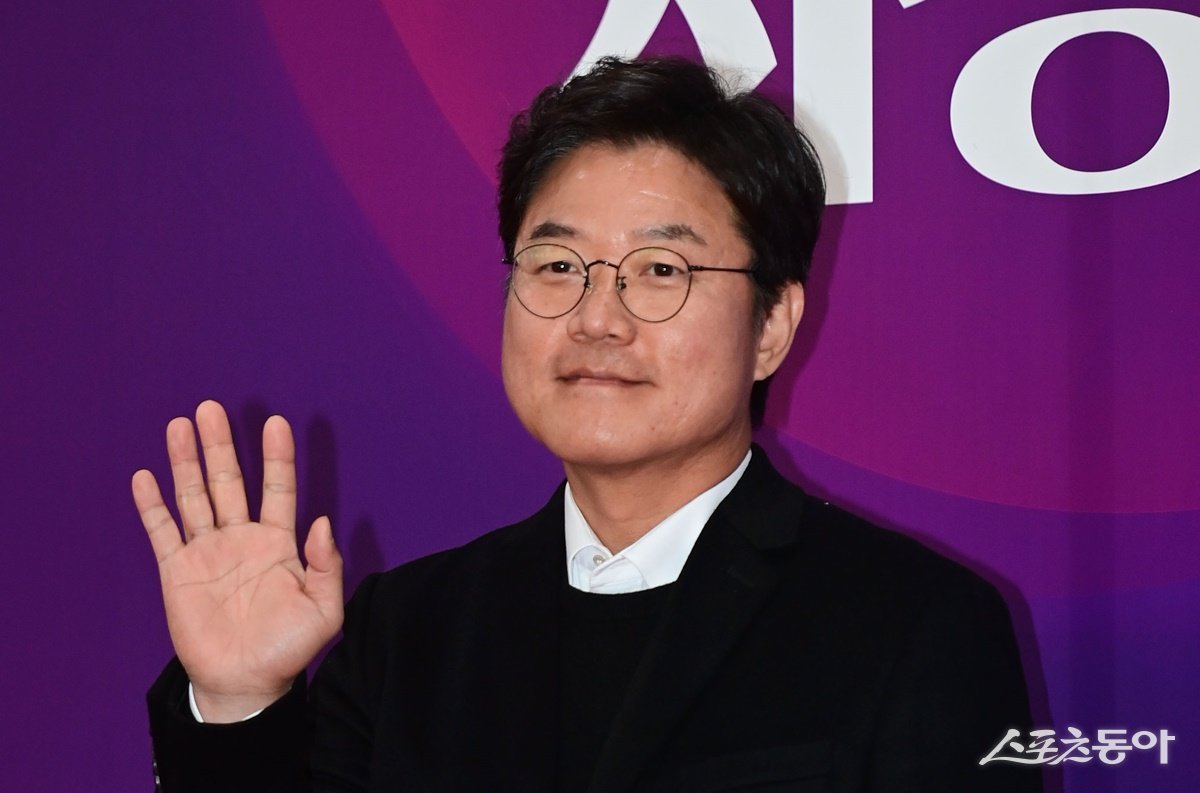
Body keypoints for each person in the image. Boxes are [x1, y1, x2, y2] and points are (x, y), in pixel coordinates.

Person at [136, 57, 1042, 792]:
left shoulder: (916, 624)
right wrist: (237, 702)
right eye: (558, 265)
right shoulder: (408, 633)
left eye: (660, 270)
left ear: (772, 325)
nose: (597, 317)